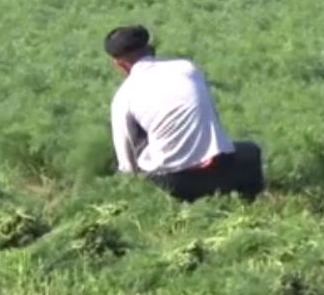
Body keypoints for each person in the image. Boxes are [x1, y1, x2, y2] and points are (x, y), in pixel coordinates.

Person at [105, 25, 265, 202]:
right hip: (223, 171)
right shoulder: (188, 69)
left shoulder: (123, 97)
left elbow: (127, 165)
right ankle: (250, 200)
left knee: (139, 145)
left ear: (119, 64)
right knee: (250, 151)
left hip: (176, 184)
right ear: (150, 49)